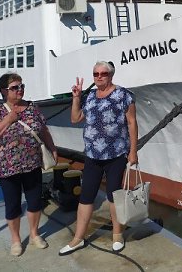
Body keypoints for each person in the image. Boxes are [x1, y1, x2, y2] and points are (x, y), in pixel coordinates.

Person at [59, 61, 138, 256]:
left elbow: (132, 122)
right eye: (96, 74)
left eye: (103, 73)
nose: (99, 77)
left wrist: (133, 151)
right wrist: (76, 98)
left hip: (115, 154)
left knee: (113, 195)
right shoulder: (90, 96)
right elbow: (75, 118)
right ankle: (78, 239)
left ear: (111, 75)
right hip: (93, 155)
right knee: (86, 196)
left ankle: (117, 235)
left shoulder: (123, 95)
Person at [0, 72, 58, 257]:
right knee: (13, 205)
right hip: (8, 167)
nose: (20, 90)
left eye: (21, 86)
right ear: (4, 91)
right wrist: (8, 120)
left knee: (35, 201)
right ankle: (16, 240)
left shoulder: (32, 108)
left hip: (32, 164)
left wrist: (52, 148)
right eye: (15, 87)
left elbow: (44, 130)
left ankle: (34, 234)